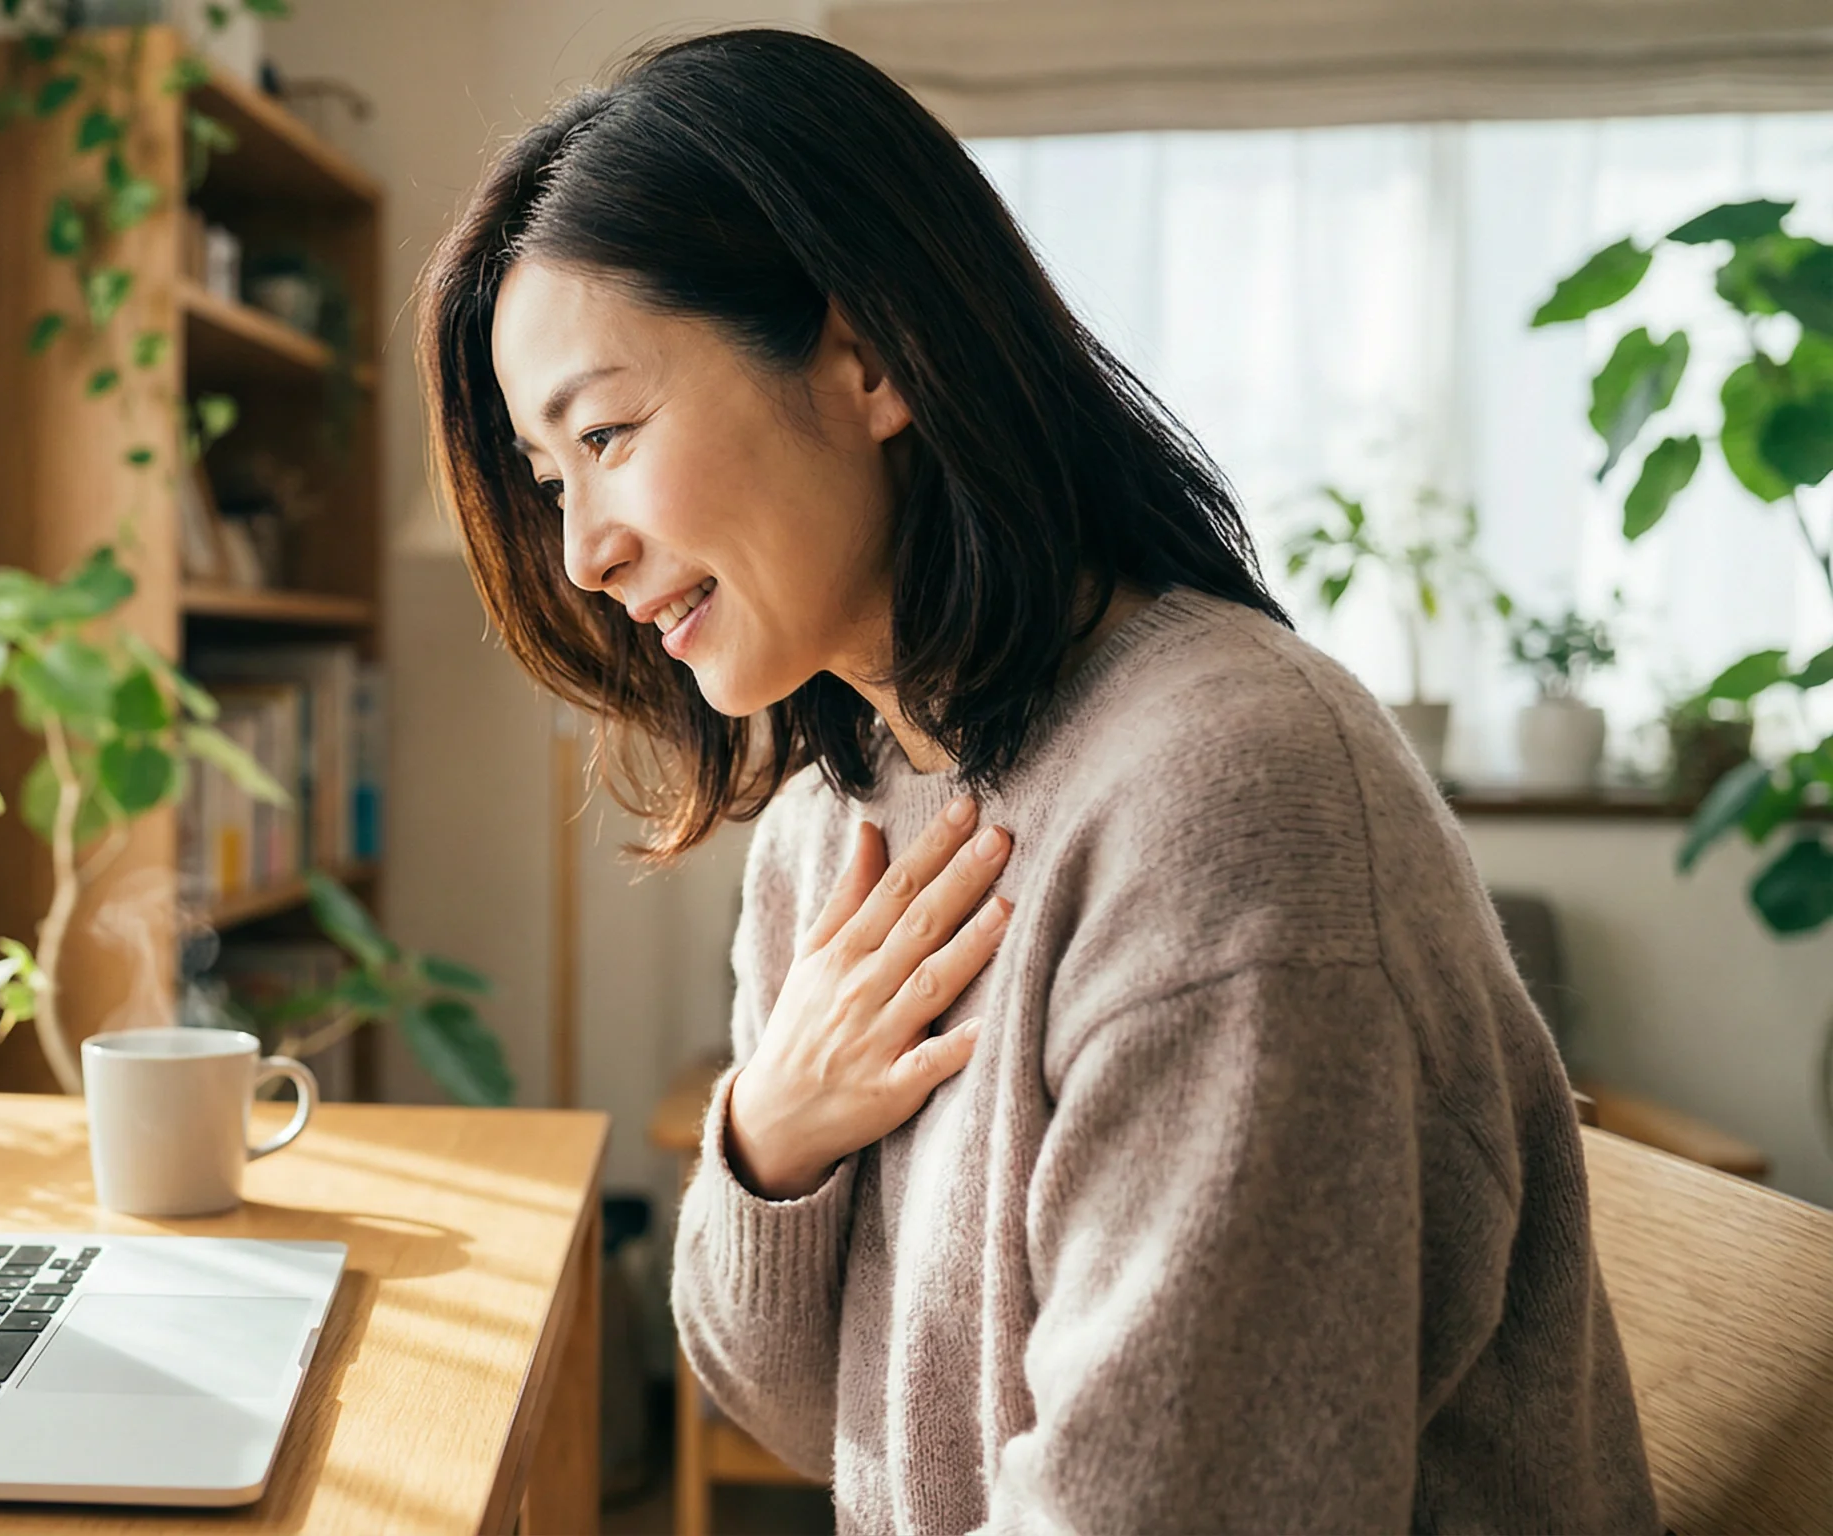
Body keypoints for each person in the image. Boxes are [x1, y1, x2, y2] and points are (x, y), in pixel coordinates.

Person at [417, 28, 1655, 1534]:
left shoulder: (1233, 805)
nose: (581, 554)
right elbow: (803, 1417)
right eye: (553, 483)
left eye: (607, 435)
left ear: (867, 354)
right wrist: (768, 1138)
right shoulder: (838, 825)